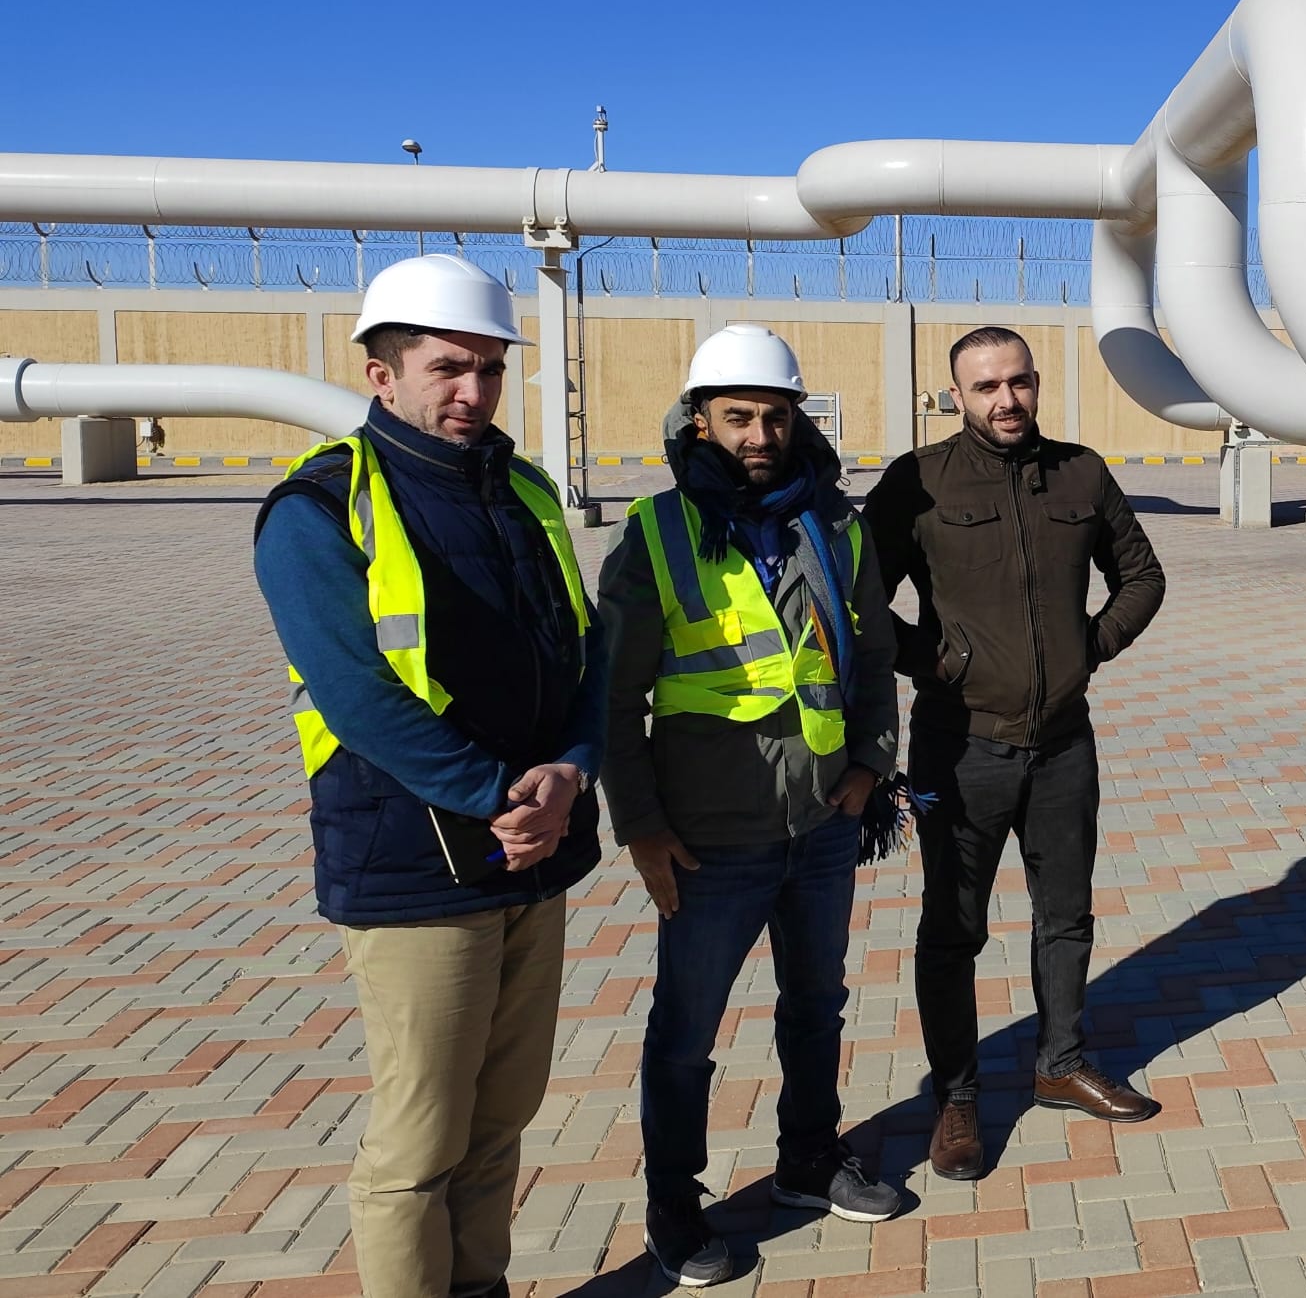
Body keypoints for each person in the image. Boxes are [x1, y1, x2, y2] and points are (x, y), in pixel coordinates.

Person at [253, 254, 605, 1298]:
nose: (473, 391)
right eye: (448, 368)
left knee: (501, 1120)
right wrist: (505, 799)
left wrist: (574, 769)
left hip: (531, 854)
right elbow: (356, 696)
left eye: (490, 369)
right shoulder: (319, 507)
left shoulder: (523, 490)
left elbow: (582, 654)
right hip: (413, 864)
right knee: (419, 1144)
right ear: (382, 375)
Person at [598, 324, 902, 1288]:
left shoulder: (836, 525)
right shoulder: (656, 533)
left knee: (817, 1005)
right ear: (700, 419)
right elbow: (612, 697)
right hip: (707, 838)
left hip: (820, 822)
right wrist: (641, 827)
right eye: (738, 417)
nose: (760, 435)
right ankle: (674, 1205)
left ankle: (809, 1159)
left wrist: (872, 765)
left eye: (775, 416)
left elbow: (873, 658)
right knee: (687, 1032)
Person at [863, 325, 1166, 1182]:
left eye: (1019, 382)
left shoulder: (1080, 472)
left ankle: (1061, 1065)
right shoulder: (919, 480)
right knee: (952, 929)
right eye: (987, 386)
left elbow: (1143, 577)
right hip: (960, 747)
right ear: (956, 395)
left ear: (1036, 383)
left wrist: (1088, 648)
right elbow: (860, 599)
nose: (1007, 399)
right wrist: (937, 661)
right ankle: (956, 1098)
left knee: (1066, 916)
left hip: (1064, 746)